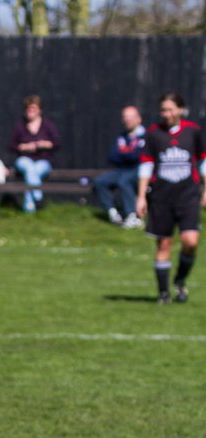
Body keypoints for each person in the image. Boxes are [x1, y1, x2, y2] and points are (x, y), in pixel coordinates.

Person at [136, 91, 206, 305]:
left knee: (191, 241)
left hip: (188, 195)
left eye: (170, 109)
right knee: (164, 244)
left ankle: (180, 279)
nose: (166, 114)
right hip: (161, 197)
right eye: (163, 110)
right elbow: (146, 164)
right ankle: (164, 293)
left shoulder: (193, 131)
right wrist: (141, 197)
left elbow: (203, 161)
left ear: (180, 110)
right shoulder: (154, 134)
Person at [93, 105, 145, 229]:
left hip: (139, 170)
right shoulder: (122, 137)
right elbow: (112, 156)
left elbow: (136, 156)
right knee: (100, 181)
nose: (127, 120)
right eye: (125, 117)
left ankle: (131, 216)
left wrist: (124, 154)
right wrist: (128, 155)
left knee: (124, 181)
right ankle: (113, 213)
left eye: (130, 117)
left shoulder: (145, 136)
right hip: (121, 169)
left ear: (139, 119)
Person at [7, 95, 61, 213]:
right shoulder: (20, 125)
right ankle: (37, 196)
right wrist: (24, 147)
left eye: (33, 108)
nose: (30, 111)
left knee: (34, 170)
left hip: (43, 160)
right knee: (29, 167)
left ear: (39, 110)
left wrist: (46, 144)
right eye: (28, 109)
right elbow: (11, 145)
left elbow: (57, 143)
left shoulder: (48, 125)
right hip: (24, 159)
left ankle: (29, 209)